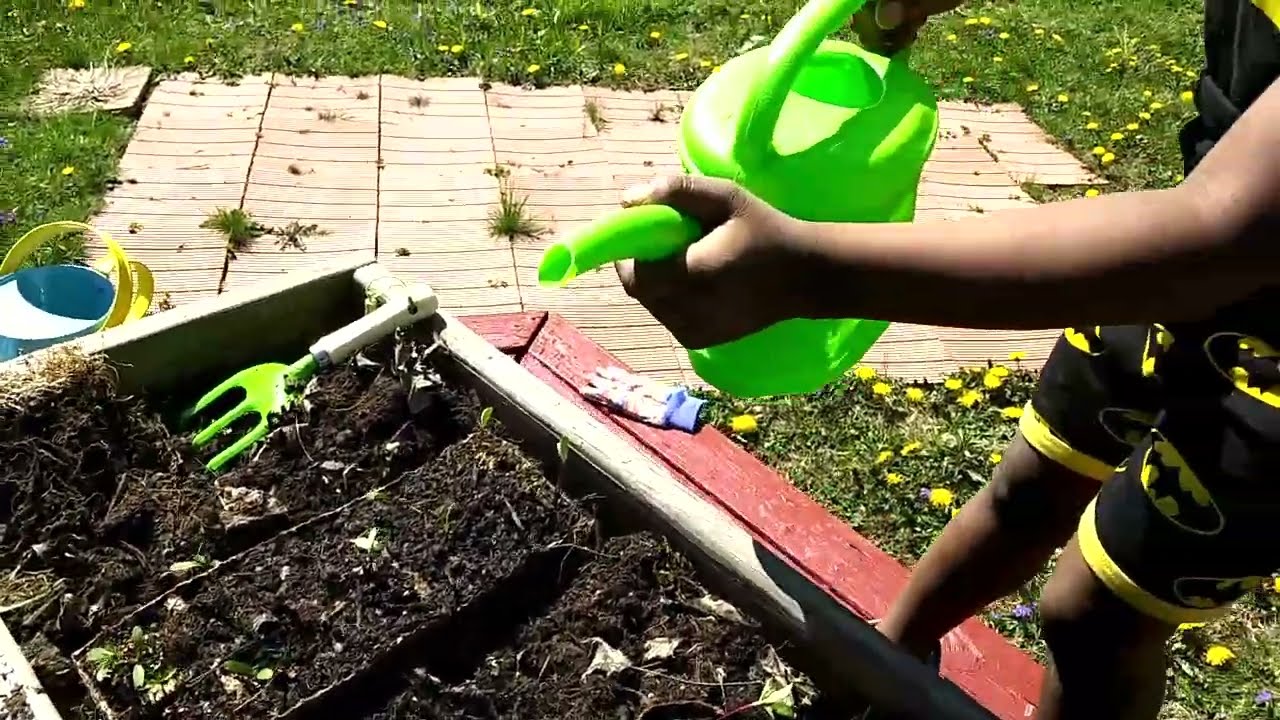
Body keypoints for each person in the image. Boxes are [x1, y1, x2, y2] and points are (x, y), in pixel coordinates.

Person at [613, 0, 1280, 716]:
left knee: (1092, 615)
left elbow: (1223, 231)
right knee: (1025, 489)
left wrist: (809, 273)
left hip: (1251, 343)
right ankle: (883, 664)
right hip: (1162, 269)